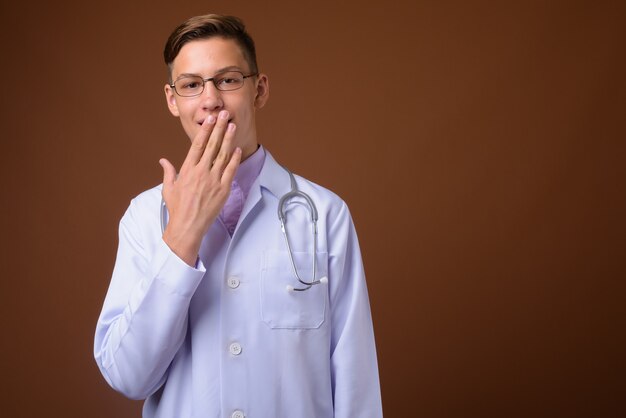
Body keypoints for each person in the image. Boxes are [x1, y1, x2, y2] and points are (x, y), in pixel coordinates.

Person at [94, 14, 382, 418]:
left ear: (258, 89)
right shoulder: (144, 218)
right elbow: (128, 377)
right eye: (191, 85)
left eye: (228, 79)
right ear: (172, 100)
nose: (210, 99)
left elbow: (356, 385)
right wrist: (181, 236)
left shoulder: (324, 214)